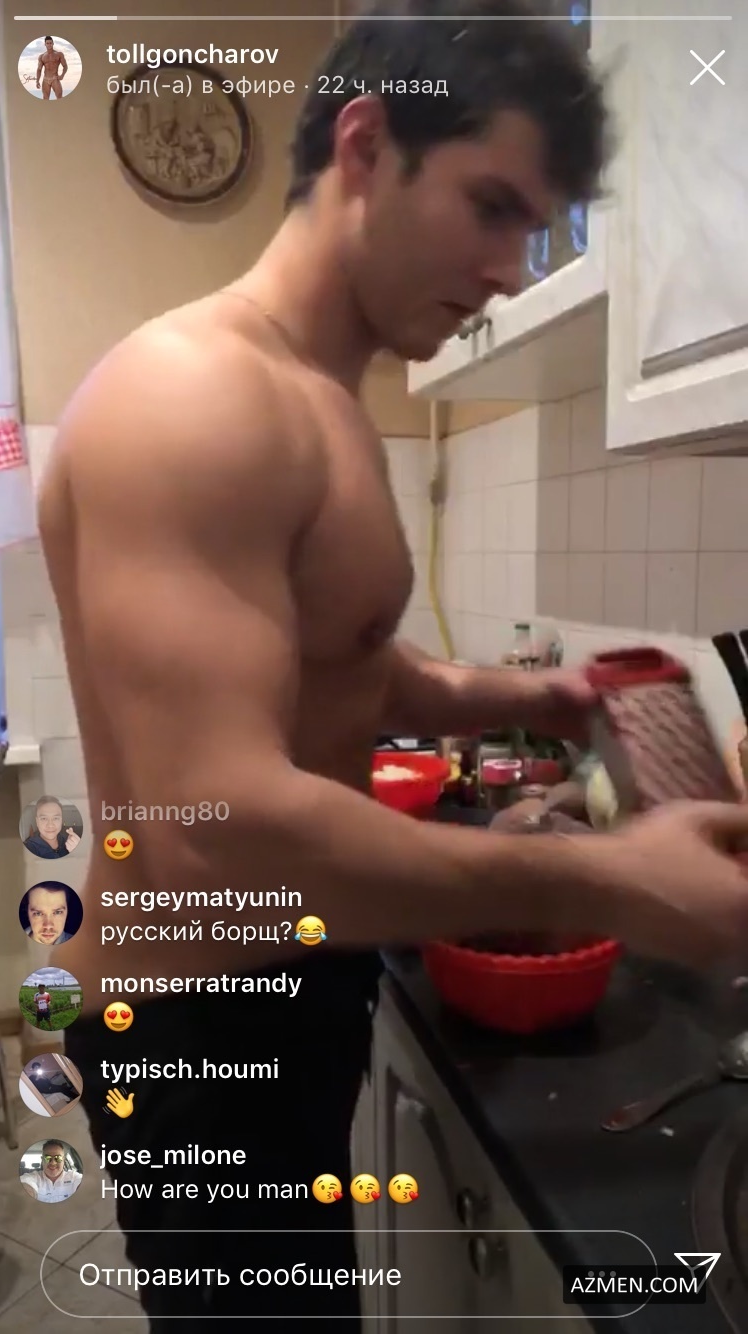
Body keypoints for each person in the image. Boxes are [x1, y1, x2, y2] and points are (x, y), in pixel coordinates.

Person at [37, 0, 748, 1326]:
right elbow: (215, 825)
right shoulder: (197, 395)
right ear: (366, 147)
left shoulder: (322, 401)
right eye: (492, 206)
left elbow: (344, 658)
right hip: (201, 1024)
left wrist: (529, 697)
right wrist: (612, 879)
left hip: (288, 979)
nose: (510, 268)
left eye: (533, 228)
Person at [35, 36, 67, 100]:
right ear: (45, 44)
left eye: (50, 43)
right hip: (45, 79)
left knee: (59, 97)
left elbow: (65, 66)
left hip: (55, 78)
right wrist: (37, 81)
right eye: (47, 43)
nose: (49, 45)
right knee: (45, 99)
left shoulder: (59, 54)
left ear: (53, 43)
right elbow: (39, 69)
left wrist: (62, 75)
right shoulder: (41, 56)